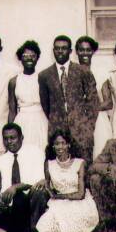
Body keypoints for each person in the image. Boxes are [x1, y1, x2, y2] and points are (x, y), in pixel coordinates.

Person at [0, 123, 50, 232]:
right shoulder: (1, 161)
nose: (9, 142)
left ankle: (32, 230)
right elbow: (1, 189)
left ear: (21, 137)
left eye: (13, 138)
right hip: (13, 202)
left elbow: (38, 181)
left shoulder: (34, 152)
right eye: (6, 139)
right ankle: (19, 229)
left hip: (31, 197)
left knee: (40, 192)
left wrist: (16, 187)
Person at [38, 35, 100, 163]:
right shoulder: (45, 75)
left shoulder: (83, 71)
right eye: (57, 48)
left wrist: (87, 125)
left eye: (64, 48)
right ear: (53, 50)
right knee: (59, 168)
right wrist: (57, 119)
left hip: (81, 131)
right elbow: (46, 105)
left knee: (84, 168)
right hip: (58, 133)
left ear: (70, 51)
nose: (60, 51)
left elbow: (93, 102)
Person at [35, 129, 99, 232]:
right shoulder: (49, 164)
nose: (60, 147)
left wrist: (58, 197)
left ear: (68, 145)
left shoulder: (80, 163)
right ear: (53, 146)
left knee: (70, 218)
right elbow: (48, 185)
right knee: (43, 230)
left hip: (79, 202)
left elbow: (80, 194)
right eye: (57, 144)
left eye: (63, 143)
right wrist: (46, 185)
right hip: (58, 203)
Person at [75, 35, 114, 160]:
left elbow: (108, 103)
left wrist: (88, 108)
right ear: (77, 52)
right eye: (81, 50)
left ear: (92, 51)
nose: (85, 53)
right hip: (79, 121)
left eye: (88, 50)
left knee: (100, 154)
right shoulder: (72, 72)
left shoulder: (100, 72)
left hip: (99, 120)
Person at [8, 40, 49, 152]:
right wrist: (10, 132)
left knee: (41, 152)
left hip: (40, 121)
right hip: (22, 121)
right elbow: (12, 110)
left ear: (37, 58)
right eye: (25, 55)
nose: (29, 58)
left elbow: (47, 106)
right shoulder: (14, 81)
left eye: (32, 55)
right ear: (20, 58)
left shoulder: (42, 79)